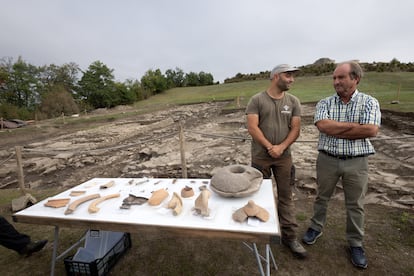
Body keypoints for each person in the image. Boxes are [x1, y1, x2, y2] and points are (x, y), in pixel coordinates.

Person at [302, 61, 381, 269]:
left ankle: (355, 243)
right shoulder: (325, 103)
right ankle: (315, 227)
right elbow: (323, 126)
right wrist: (356, 127)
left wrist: (337, 128)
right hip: (327, 160)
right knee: (321, 197)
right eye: (334, 78)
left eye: (341, 77)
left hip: (357, 162)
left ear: (355, 79)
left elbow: (371, 131)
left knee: (355, 204)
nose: (336, 82)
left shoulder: (369, 102)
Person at [245, 64, 306, 258]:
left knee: (286, 197)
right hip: (260, 158)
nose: (291, 80)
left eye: (292, 76)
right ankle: (262, 233)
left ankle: (289, 237)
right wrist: (270, 147)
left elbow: (295, 129)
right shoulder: (257, 100)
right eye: (288, 76)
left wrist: (280, 148)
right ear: (276, 76)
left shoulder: (293, 101)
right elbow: (253, 127)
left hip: (284, 158)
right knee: (259, 196)